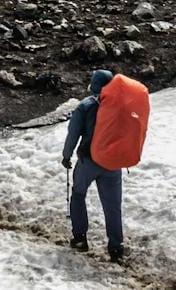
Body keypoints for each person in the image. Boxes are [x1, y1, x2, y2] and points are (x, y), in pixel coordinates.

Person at [62, 69, 126, 262]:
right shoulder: (120, 106)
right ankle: (116, 248)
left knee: (79, 194)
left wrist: (66, 156)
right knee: (112, 206)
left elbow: (73, 133)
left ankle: (80, 238)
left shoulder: (86, 106)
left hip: (89, 161)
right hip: (113, 162)